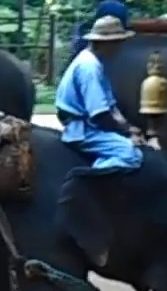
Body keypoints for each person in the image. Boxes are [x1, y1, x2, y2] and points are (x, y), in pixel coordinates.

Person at [54, 15, 142, 174]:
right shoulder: (90, 67)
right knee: (129, 154)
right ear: (107, 43)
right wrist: (126, 133)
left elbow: (111, 107)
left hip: (89, 126)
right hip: (84, 131)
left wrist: (130, 128)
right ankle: (91, 180)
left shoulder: (95, 61)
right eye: (118, 43)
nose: (120, 48)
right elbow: (100, 114)